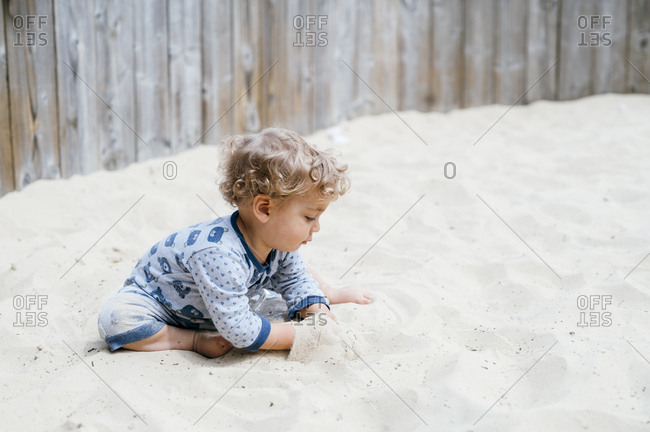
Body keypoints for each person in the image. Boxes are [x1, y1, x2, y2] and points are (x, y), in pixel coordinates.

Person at [98, 127, 372, 358]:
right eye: (310, 216)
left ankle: (329, 293)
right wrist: (300, 336)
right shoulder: (219, 254)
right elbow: (241, 332)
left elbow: (295, 280)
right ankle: (190, 340)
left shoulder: (279, 243)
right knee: (115, 321)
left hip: (224, 300)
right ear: (264, 209)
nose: (317, 227)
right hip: (161, 305)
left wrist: (319, 314)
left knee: (295, 281)